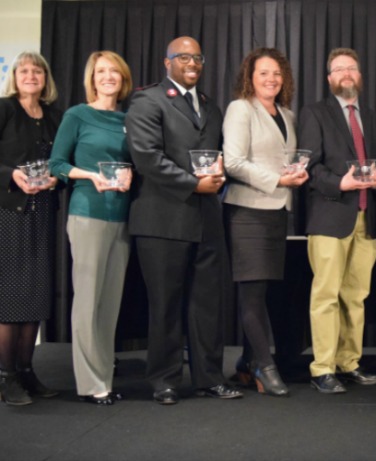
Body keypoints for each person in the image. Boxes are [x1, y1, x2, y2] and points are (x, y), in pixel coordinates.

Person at [125, 36, 242, 405]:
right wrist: (195, 183)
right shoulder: (148, 100)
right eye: (183, 57)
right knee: (166, 304)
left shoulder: (210, 105)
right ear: (167, 62)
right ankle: (164, 380)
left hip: (206, 220)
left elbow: (216, 154)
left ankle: (209, 378)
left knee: (207, 305)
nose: (192, 63)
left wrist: (218, 174)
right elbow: (146, 156)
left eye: (197, 58)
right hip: (162, 220)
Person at [49, 51, 134, 405]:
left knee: (109, 304)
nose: (108, 76)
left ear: (123, 78)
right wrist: (90, 175)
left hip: (123, 218)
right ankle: (90, 384)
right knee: (87, 301)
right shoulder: (77, 115)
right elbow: (56, 164)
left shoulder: (130, 119)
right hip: (87, 214)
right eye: (101, 71)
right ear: (92, 78)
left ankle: (105, 378)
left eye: (114, 71)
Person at [298, 48, 376, 394]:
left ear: (359, 76)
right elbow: (309, 166)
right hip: (329, 217)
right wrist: (339, 183)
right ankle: (322, 368)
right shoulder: (314, 113)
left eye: (352, 68)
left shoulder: (374, 119)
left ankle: (349, 363)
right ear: (329, 77)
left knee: (356, 296)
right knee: (326, 296)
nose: (346, 73)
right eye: (339, 69)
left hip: (367, 218)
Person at [223, 48, 307, 397]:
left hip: (276, 213)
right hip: (247, 212)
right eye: (263, 73)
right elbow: (233, 161)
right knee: (252, 294)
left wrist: (294, 174)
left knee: (264, 291)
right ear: (250, 77)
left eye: (277, 73)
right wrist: (279, 180)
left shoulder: (286, 114)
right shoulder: (240, 109)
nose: (271, 79)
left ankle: (246, 363)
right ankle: (264, 366)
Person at [0, 51, 61, 406]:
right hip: (10, 213)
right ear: (15, 76)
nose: (31, 74)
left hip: (43, 213)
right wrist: (11, 174)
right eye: (24, 69)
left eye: (37, 69)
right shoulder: (5, 109)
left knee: (36, 296)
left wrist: (57, 179)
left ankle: (26, 371)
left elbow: (62, 161)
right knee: (10, 299)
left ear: (45, 78)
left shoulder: (53, 116)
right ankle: (6, 376)